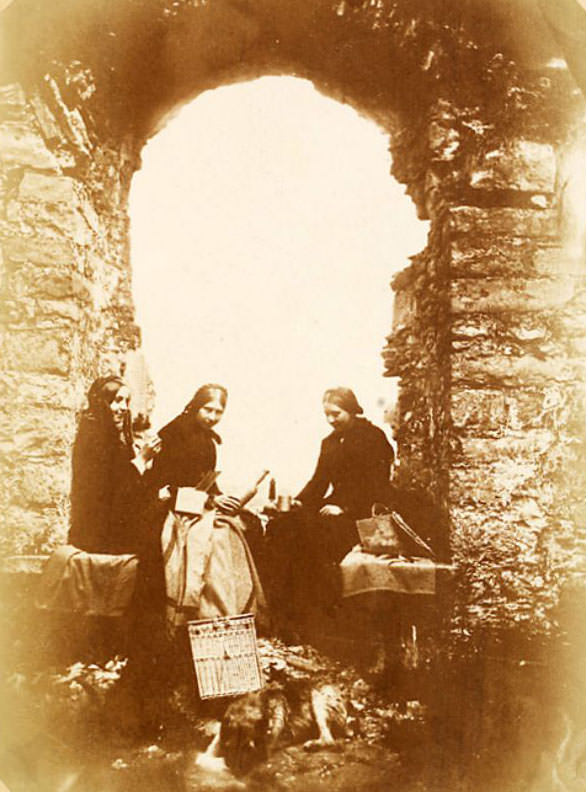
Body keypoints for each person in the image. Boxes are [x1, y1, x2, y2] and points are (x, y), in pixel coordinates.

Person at [265, 387, 394, 629]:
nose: (331, 420)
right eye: (327, 414)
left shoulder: (373, 437)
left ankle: (316, 616)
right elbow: (319, 482)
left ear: (352, 410)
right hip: (333, 507)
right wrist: (299, 502)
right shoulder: (330, 442)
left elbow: (378, 486)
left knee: (315, 536)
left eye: (336, 413)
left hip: (363, 512)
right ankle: (284, 613)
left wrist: (345, 507)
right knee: (282, 525)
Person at [147, 384, 266, 630]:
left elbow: (206, 482)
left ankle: (232, 608)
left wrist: (222, 498)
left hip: (198, 503)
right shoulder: (174, 433)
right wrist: (211, 501)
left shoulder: (208, 440)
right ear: (195, 406)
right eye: (207, 410)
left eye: (218, 412)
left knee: (247, 523)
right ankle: (202, 611)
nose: (212, 417)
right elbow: (163, 484)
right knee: (217, 538)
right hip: (171, 503)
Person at [68, 374, 161, 556]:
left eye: (127, 401)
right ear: (102, 401)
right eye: (117, 400)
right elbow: (114, 495)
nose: (124, 408)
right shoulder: (94, 439)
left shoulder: (112, 437)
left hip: (111, 525)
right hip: (98, 533)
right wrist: (141, 459)